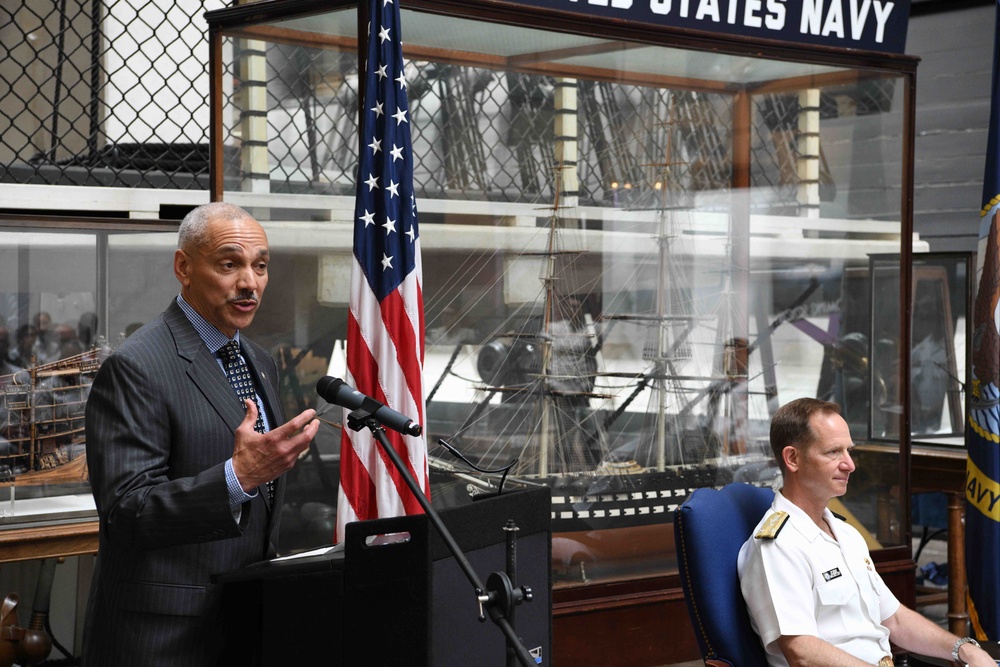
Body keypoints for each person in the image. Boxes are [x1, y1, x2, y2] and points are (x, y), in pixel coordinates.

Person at [81, 202, 320, 667]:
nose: (250, 282)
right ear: (184, 267)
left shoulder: (260, 361)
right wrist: (237, 477)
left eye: (260, 266)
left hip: (245, 626)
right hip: (163, 638)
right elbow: (126, 514)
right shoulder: (136, 366)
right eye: (230, 264)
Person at [738, 397, 994, 667]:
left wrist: (964, 649)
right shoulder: (779, 546)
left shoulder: (846, 534)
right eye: (833, 452)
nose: (850, 464)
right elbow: (802, 652)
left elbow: (894, 618)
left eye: (848, 451)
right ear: (792, 458)